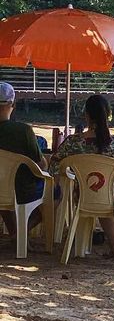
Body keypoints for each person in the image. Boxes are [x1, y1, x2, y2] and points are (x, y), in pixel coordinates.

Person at [51, 94, 114, 262]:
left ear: (86, 115)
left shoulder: (73, 142)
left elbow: (53, 166)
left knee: (101, 194)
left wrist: (66, 177)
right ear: (108, 115)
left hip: (85, 196)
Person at [0, 81, 48, 238]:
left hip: (3, 188)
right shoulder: (24, 131)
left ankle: (15, 232)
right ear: (12, 103)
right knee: (55, 193)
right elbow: (41, 165)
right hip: (21, 190)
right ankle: (21, 232)